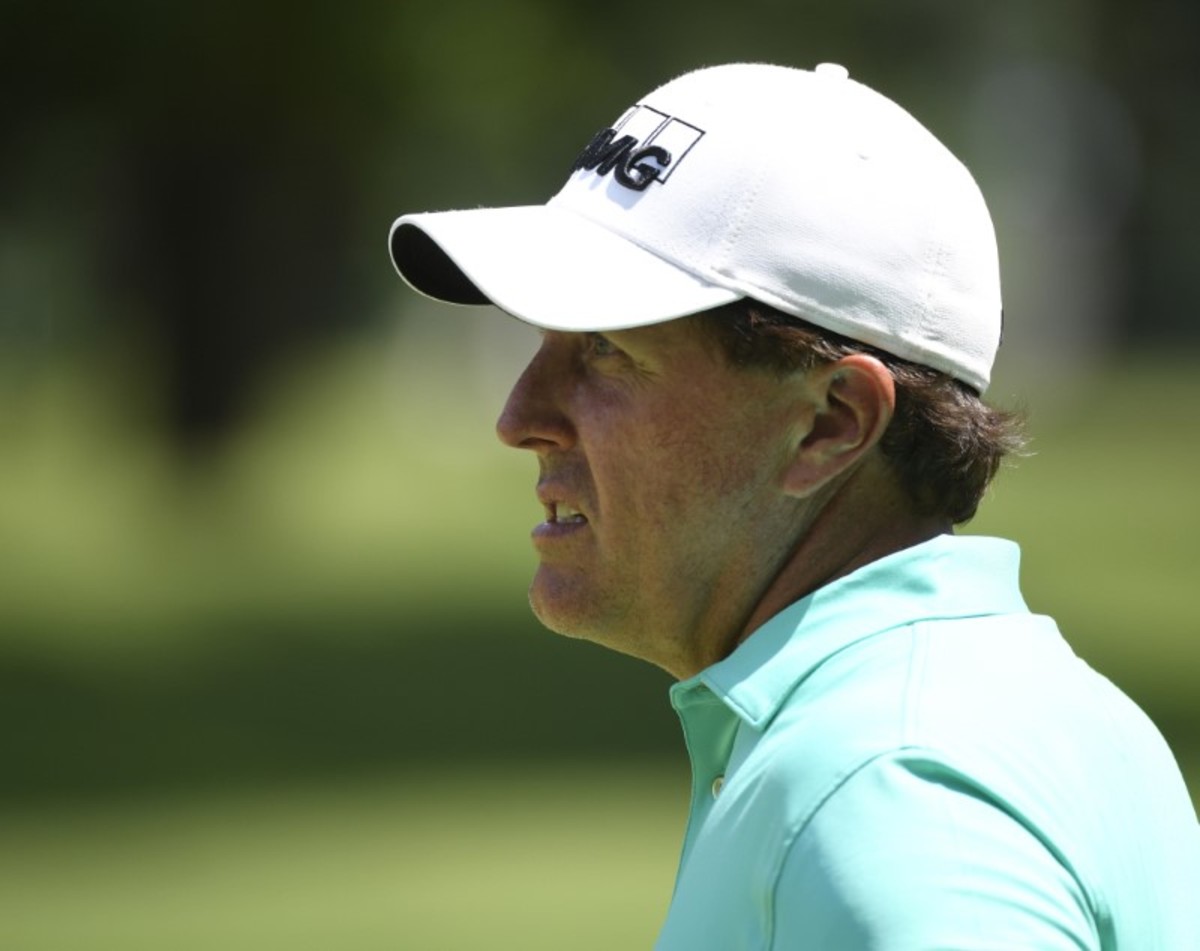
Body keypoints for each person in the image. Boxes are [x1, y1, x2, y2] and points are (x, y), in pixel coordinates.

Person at [387, 62, 1200, 949]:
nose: (519, 418)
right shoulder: (1015, 717)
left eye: (607, 352)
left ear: (831, 424)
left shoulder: (893, 791)